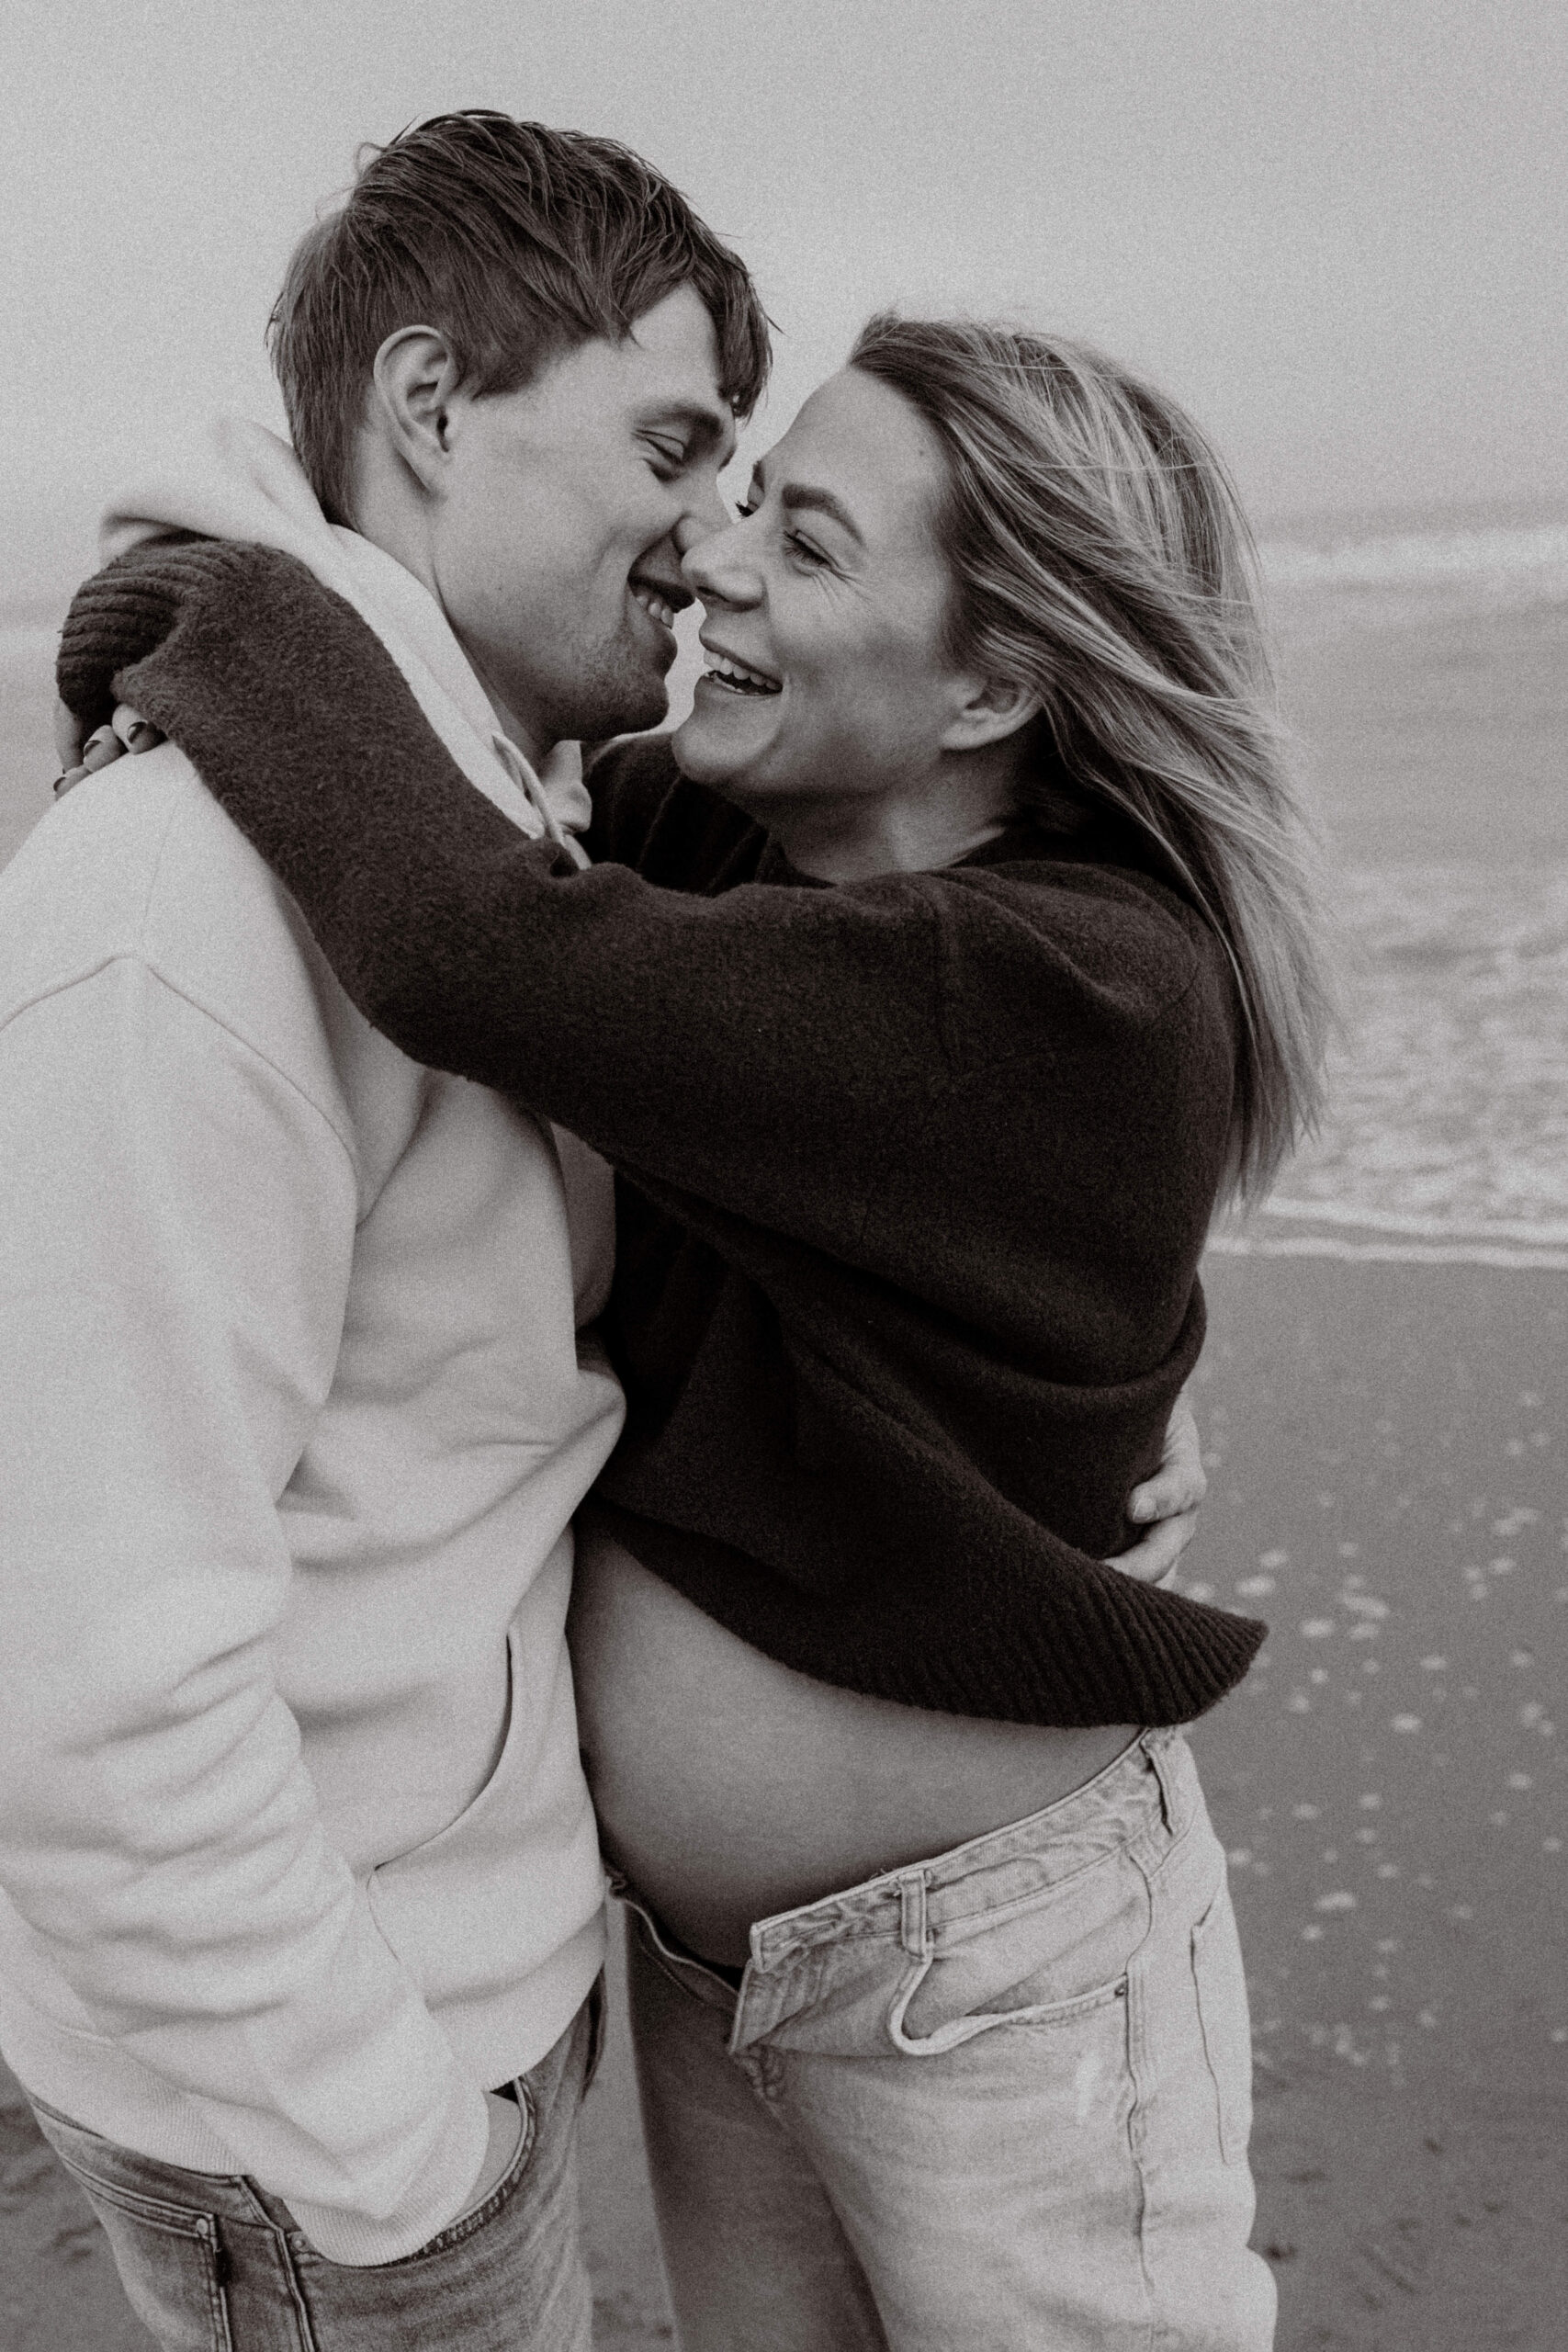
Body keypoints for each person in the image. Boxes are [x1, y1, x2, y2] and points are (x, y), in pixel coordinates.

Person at [60, 306, 1329, 2347]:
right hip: (707, 1969)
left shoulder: (1080, 982)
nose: (711, 555)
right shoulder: (720, 830)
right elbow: (442, 795)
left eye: (804, 541)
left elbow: (465, 939)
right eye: (737, 492)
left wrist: (201, 590)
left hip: (997, 1971)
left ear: (995, 677)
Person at [0, 112, 771, 2352]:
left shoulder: (482, 833)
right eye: (670, 445)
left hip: (454, 1982)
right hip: (330, 2105)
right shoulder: (182, 909)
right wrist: (390, 2156)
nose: (717, 534)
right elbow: (85, 1688)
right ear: (432, 402)